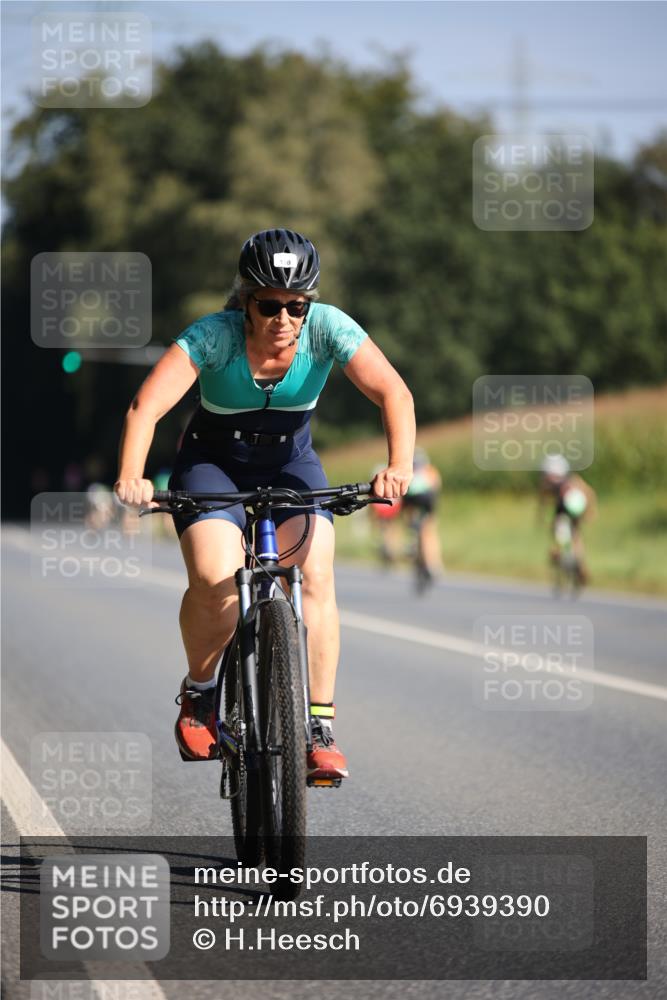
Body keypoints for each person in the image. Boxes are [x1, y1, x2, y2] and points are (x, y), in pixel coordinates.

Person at [114, 228, 415, 780]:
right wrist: (132, 476)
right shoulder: (212, 337)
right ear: (245, 301)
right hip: (212, 464)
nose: (283, 317)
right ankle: (201, 692)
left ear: (309, 304)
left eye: (296, 305)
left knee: (317, 571)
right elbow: (145, 406)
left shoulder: (329, 329)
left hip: (290, 462)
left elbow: (394, 392)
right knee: (215, 576)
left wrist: (400, 466)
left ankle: (319, 727)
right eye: (269, 305)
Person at [538, 453, 597, 584]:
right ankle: (581, 565)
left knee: (558, 528)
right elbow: (590, 493)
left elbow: (543, 502)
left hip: (566, 506)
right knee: (575, 533)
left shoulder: (548, 483)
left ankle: (558, 551)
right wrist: (590, 512)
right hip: (577, 506)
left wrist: (541, 518)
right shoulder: (573, 480)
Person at [400, 448, 444, 579]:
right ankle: (435, 565)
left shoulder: (407, 470)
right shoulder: (430, 470)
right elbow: (436, 487)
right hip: (428, 498)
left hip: (411, 498)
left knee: (410, 520)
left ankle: (411, 541)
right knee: (430, 530)